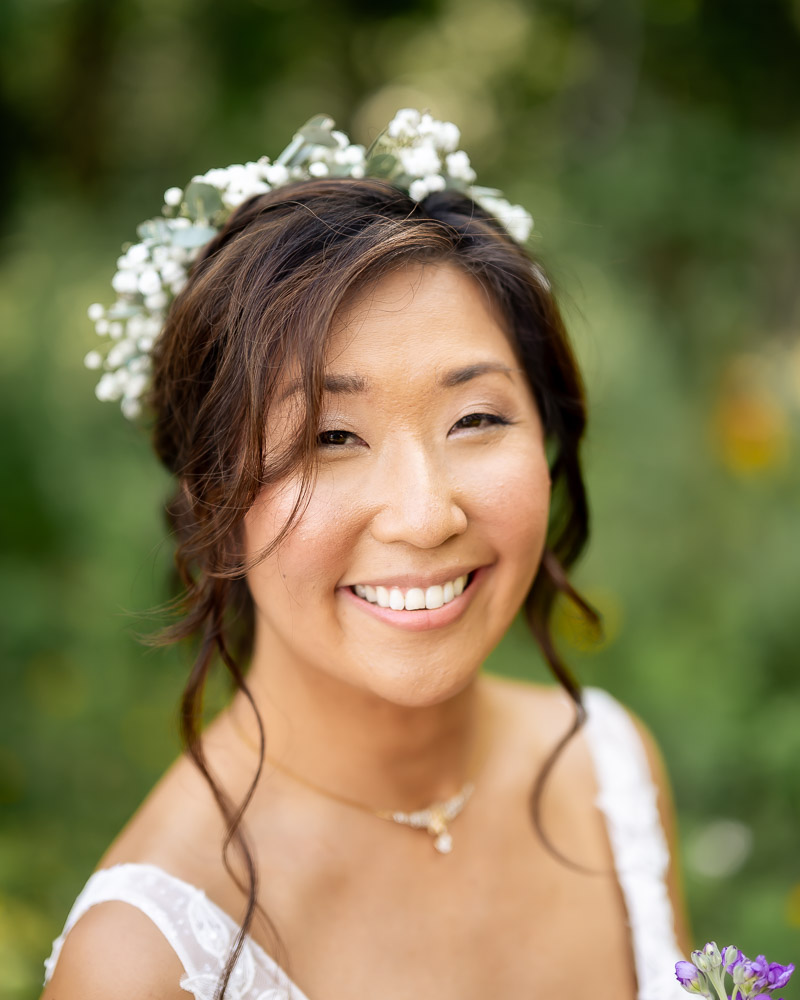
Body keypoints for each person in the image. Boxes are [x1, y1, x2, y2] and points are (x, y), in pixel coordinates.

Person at [41, 110, 691, 1000]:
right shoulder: (142, 964)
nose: (425, 517)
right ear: (209, 492)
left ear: (549, 433)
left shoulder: (608, 771)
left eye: (476, 419)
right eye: (330, 436)